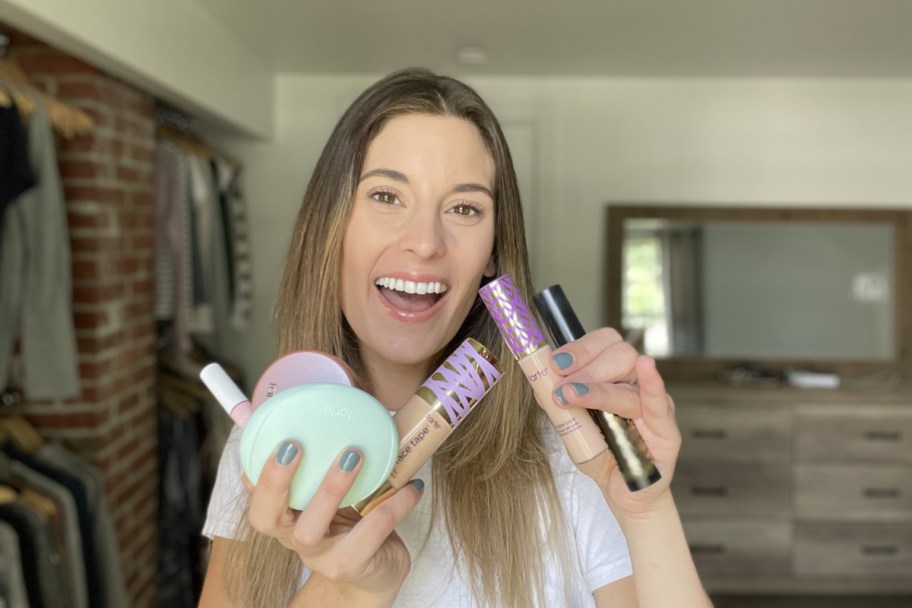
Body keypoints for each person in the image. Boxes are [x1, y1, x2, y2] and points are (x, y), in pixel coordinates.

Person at [198, 67, 712, 608]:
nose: (424, 243)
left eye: (465, 207)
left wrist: (647, 510)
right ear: (333, 226)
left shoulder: (571, 452)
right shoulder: (266, 443)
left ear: (492, 252)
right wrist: (353, 589)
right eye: (386, 196)